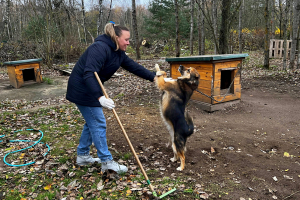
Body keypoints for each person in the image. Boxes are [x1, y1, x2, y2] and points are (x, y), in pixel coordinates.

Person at [66, 22, 156, 174]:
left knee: (91, 122)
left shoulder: (118, 51)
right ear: (116, 37)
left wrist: (155, 78)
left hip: (91, 88)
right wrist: (100, 97)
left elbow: (133, 66)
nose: (128, 42)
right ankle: (107, 162)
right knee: (98, 122)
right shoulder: (99, 48)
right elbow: (89, 73)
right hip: (82, 89)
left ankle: (82, 156)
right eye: (126, 39)